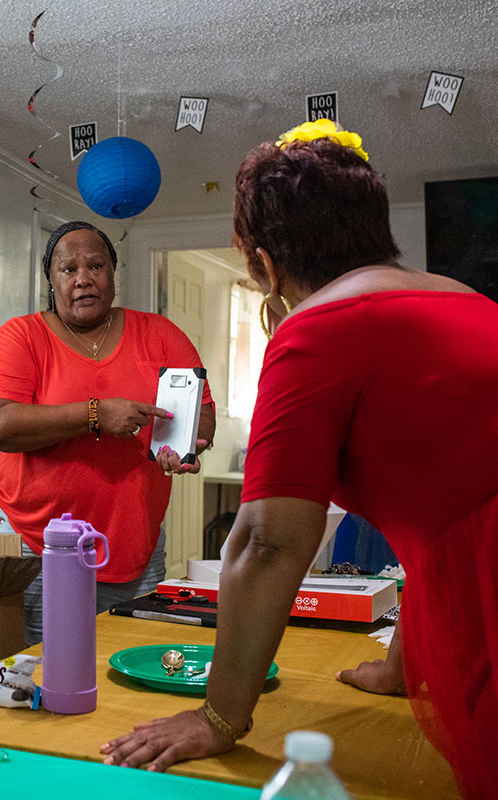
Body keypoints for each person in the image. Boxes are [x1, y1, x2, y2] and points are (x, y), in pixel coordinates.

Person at [100, 119, 498, 800]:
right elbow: (445, 516)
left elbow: (268, 542)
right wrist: (403, 669)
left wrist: (219, 717)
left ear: (263, 265)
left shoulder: (320, 327)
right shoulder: (471, 301)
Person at [0, 221, 216, 644]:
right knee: (49, 667)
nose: (83, 278)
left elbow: (203, 415)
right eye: (69, 269)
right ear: (51, 280)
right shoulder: (19, 338)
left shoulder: (160, 335)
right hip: (40, 548)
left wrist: (187, 445)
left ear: (112, 273)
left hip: (135, 548)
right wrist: (95, 415)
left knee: (129, 665)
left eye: (96, 266)